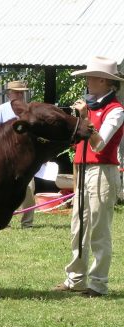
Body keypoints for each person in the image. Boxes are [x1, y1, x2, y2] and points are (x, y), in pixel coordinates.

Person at [53, 56, 124, 297]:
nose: (87, 81)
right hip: (82, 171)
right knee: (78, 227)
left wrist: (83, 119)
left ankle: (98, 284)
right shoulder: (92, 107)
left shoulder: (115, 110)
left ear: (104, 81)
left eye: (91, 77)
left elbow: (99, 145)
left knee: (99, 230)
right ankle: (76, 279)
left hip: (102, 172)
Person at [0, 80, 35, 229]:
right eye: (16, 92)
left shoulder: (30, 111)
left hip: (25, 158)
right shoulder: (0, 111)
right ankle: (3, 221)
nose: (20, 95)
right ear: (9, 94)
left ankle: (27, 223)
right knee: (2, 192)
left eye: (22, 92)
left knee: (29, 188)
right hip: (4, 160)